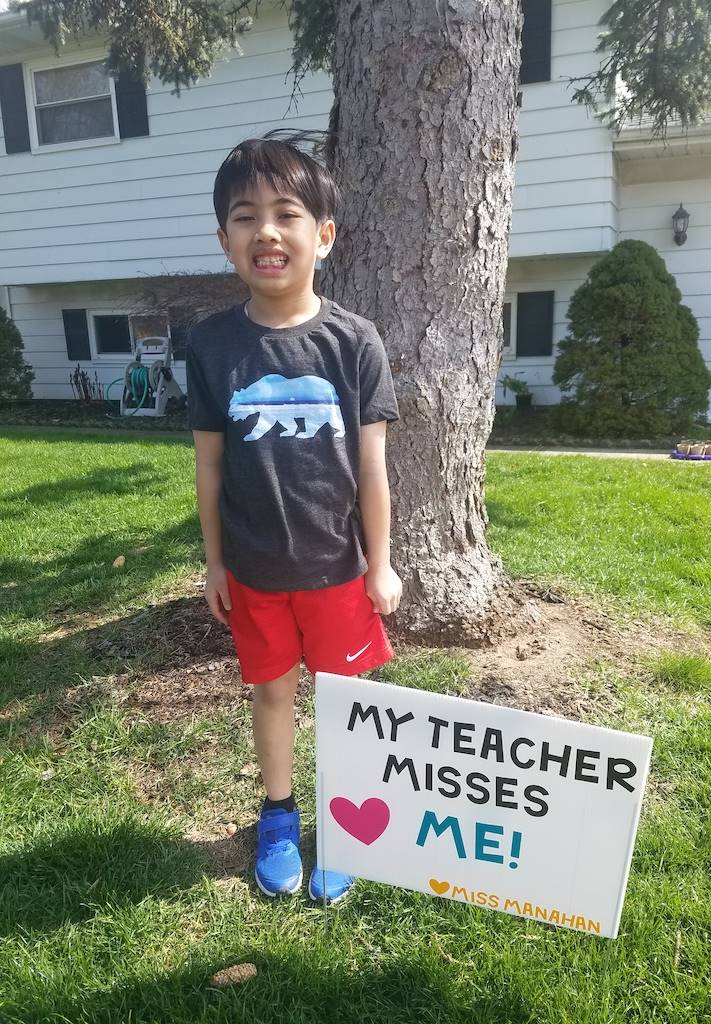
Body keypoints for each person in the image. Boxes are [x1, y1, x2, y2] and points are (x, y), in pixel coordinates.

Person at [185, 129, 402, 905]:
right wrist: (215, 562)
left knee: (346, 700)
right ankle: (278, 814)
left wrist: (381, 563)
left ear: (325, 234)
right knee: (271, 692)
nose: (266, 232)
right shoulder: (211, 345)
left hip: (339, 570)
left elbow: (373, 468)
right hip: (253, 569)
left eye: (286, 214)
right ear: (225, 239)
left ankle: (346, 823)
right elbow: (210, 466)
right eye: (245, 217)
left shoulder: (354, 342)